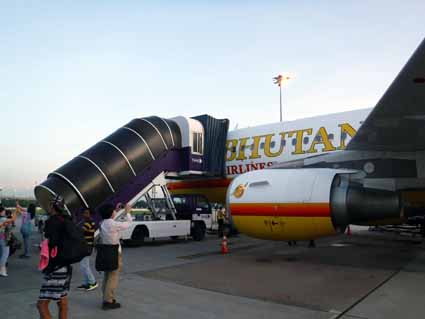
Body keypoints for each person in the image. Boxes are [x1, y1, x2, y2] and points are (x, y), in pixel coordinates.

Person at [37, 195, 72, 319]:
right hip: (66, 267)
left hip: (55, 267)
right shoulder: (67, 220)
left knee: (41, 304)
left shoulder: (52, 221)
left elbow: (50, 243)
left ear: (52, 206)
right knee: (62, 301)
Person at [98, 203, 133, 310]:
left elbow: (111, 219)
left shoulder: (102, 223)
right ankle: (108, 301)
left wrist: (117, 211)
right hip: (114, 253)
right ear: (110, 213)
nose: (114, 211)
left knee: (107, 276)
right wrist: (127, 212)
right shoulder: (112, 224)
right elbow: (129, 223)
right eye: (113, 210)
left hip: (105, 251)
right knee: (113, 277)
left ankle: (106, 298)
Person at [77, 208, 98, 291]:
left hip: (87, 247)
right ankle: (86, 282)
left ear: (90, 214)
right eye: (84, 213)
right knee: (83, 266)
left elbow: (80, 231)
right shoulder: (87, 222)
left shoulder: (88, 223)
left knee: (85, 266)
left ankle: (93, 282)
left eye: (86, 213)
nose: (84, 214)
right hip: (85, 247)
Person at [0, 205, 16, 277]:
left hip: (1, 238)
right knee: (5, 254)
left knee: (1, 253)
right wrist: (16, 211)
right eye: (3, 211)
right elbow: (13, 219)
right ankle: (2, 270)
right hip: (3, 238)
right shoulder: (3, 219)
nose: (4, 212)